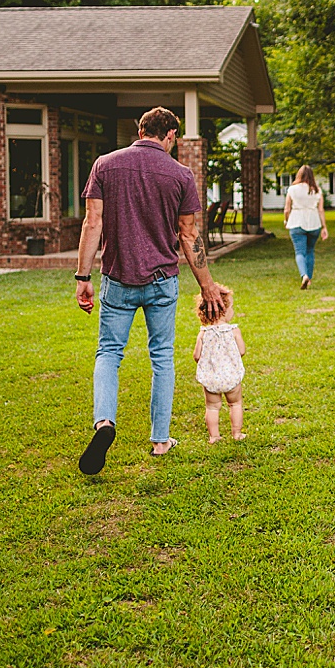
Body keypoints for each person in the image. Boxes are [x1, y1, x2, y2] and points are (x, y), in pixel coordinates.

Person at [74, 107, 225, 475]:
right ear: (171, 134)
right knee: (162, 357)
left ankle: (105, 424)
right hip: (161, 281)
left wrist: (82, 277)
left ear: (140, 130)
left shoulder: (105, 165)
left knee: (109, 352)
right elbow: (189, 236)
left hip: (117, 279)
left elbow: (92, 222)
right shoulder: (180, 174)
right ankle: (160, 440)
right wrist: (208, 288)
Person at [192, 284, 247, 443]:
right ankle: (237, 434)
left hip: (211, 378)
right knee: (235, 404)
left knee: (212, 407)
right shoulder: (233, 330)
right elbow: (241, 351)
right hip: (231, 376)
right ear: (224, 309)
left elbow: (197, 356)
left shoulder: (203, 333)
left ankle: (214, 436)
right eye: (232, 307)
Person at [282, 164, 328, 289]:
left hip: (297, 221)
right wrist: (324, 227)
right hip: (314, 223)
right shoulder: (317, 190)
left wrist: (286, 220)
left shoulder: (292, 189)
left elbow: (287, 208)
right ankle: (309, 277)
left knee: (299, 252)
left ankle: (304, 275)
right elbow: (321, 210)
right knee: (310, 251)